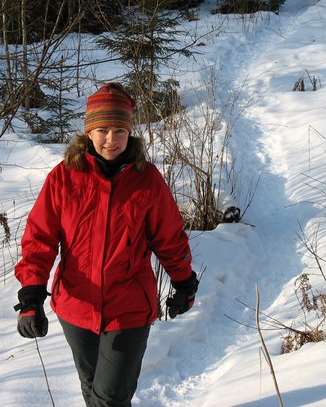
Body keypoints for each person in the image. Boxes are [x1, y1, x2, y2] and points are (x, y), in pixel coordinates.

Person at [13, 82, 198, 406]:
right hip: (75, 306)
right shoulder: (64, 178)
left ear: (130, 133)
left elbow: (169, 238)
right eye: (102, 130)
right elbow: (39, 239)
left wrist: (184, 283)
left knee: (109, 398)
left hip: (129, 308)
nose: (110, 140)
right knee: (92, 388)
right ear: (88, 132)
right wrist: (31, 295)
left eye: (118, 130)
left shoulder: (147, 179)